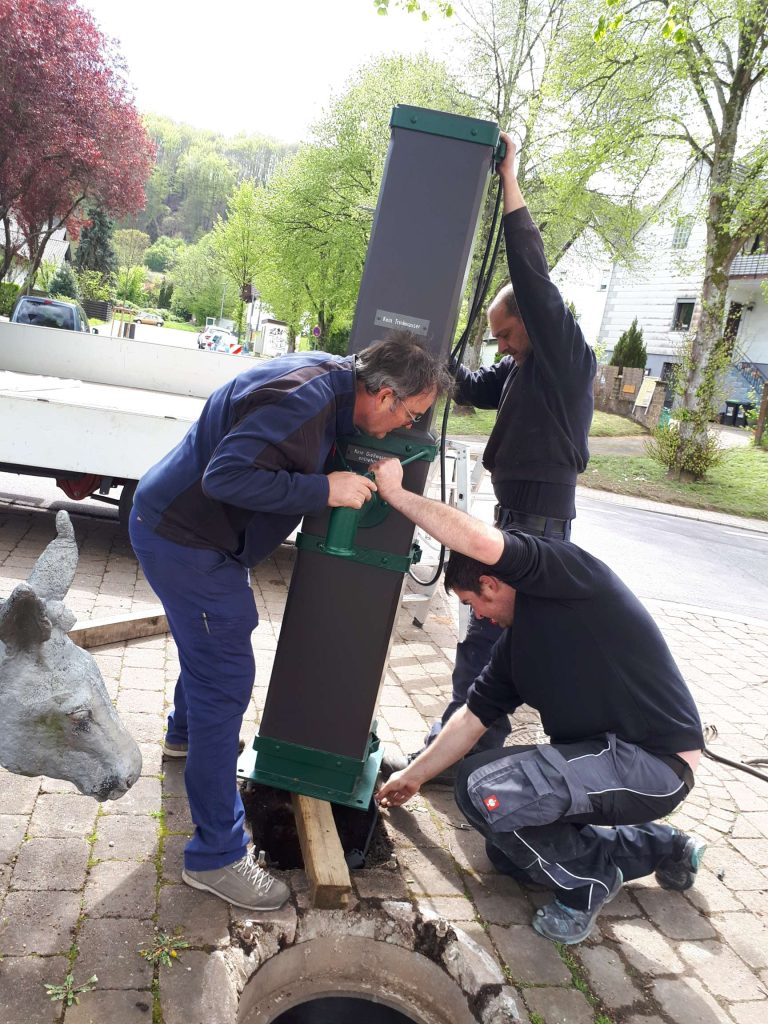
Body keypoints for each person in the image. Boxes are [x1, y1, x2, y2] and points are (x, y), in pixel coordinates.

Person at [129, 335, 449, 912]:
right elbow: (224, 477)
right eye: (411, 414)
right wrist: (324, 488)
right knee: (225, 677)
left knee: (210, 647)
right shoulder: (303, 401)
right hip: (187, 540)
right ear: (382, 395)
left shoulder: (330, 381)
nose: (409, 423)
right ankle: (215, 858)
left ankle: (184, 735)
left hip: (186, 533)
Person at [372, 458, 705, 945]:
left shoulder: (566, 577)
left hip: (655, 763)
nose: (479, 619)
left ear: (492, 583)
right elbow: (471, 718)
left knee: (484, 789)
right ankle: (664, 847)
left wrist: (399, 497)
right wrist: (413, 776)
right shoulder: (513, 649)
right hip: (603, 763)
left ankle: (588, 883)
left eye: (474, 604)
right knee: (508, 854)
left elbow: (483, 542)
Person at [385, 132, 596, 774]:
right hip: (519, 515)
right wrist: (416, 343)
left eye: (505, 334)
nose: (500, 346)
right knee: (495, 635)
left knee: (484, 633)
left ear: (534, 321)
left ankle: (464, 754)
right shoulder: (522, 367)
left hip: (538, 520)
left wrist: (509, 181)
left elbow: (530, 272)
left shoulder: (563, 356)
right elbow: (471, 386)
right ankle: (475, 742)